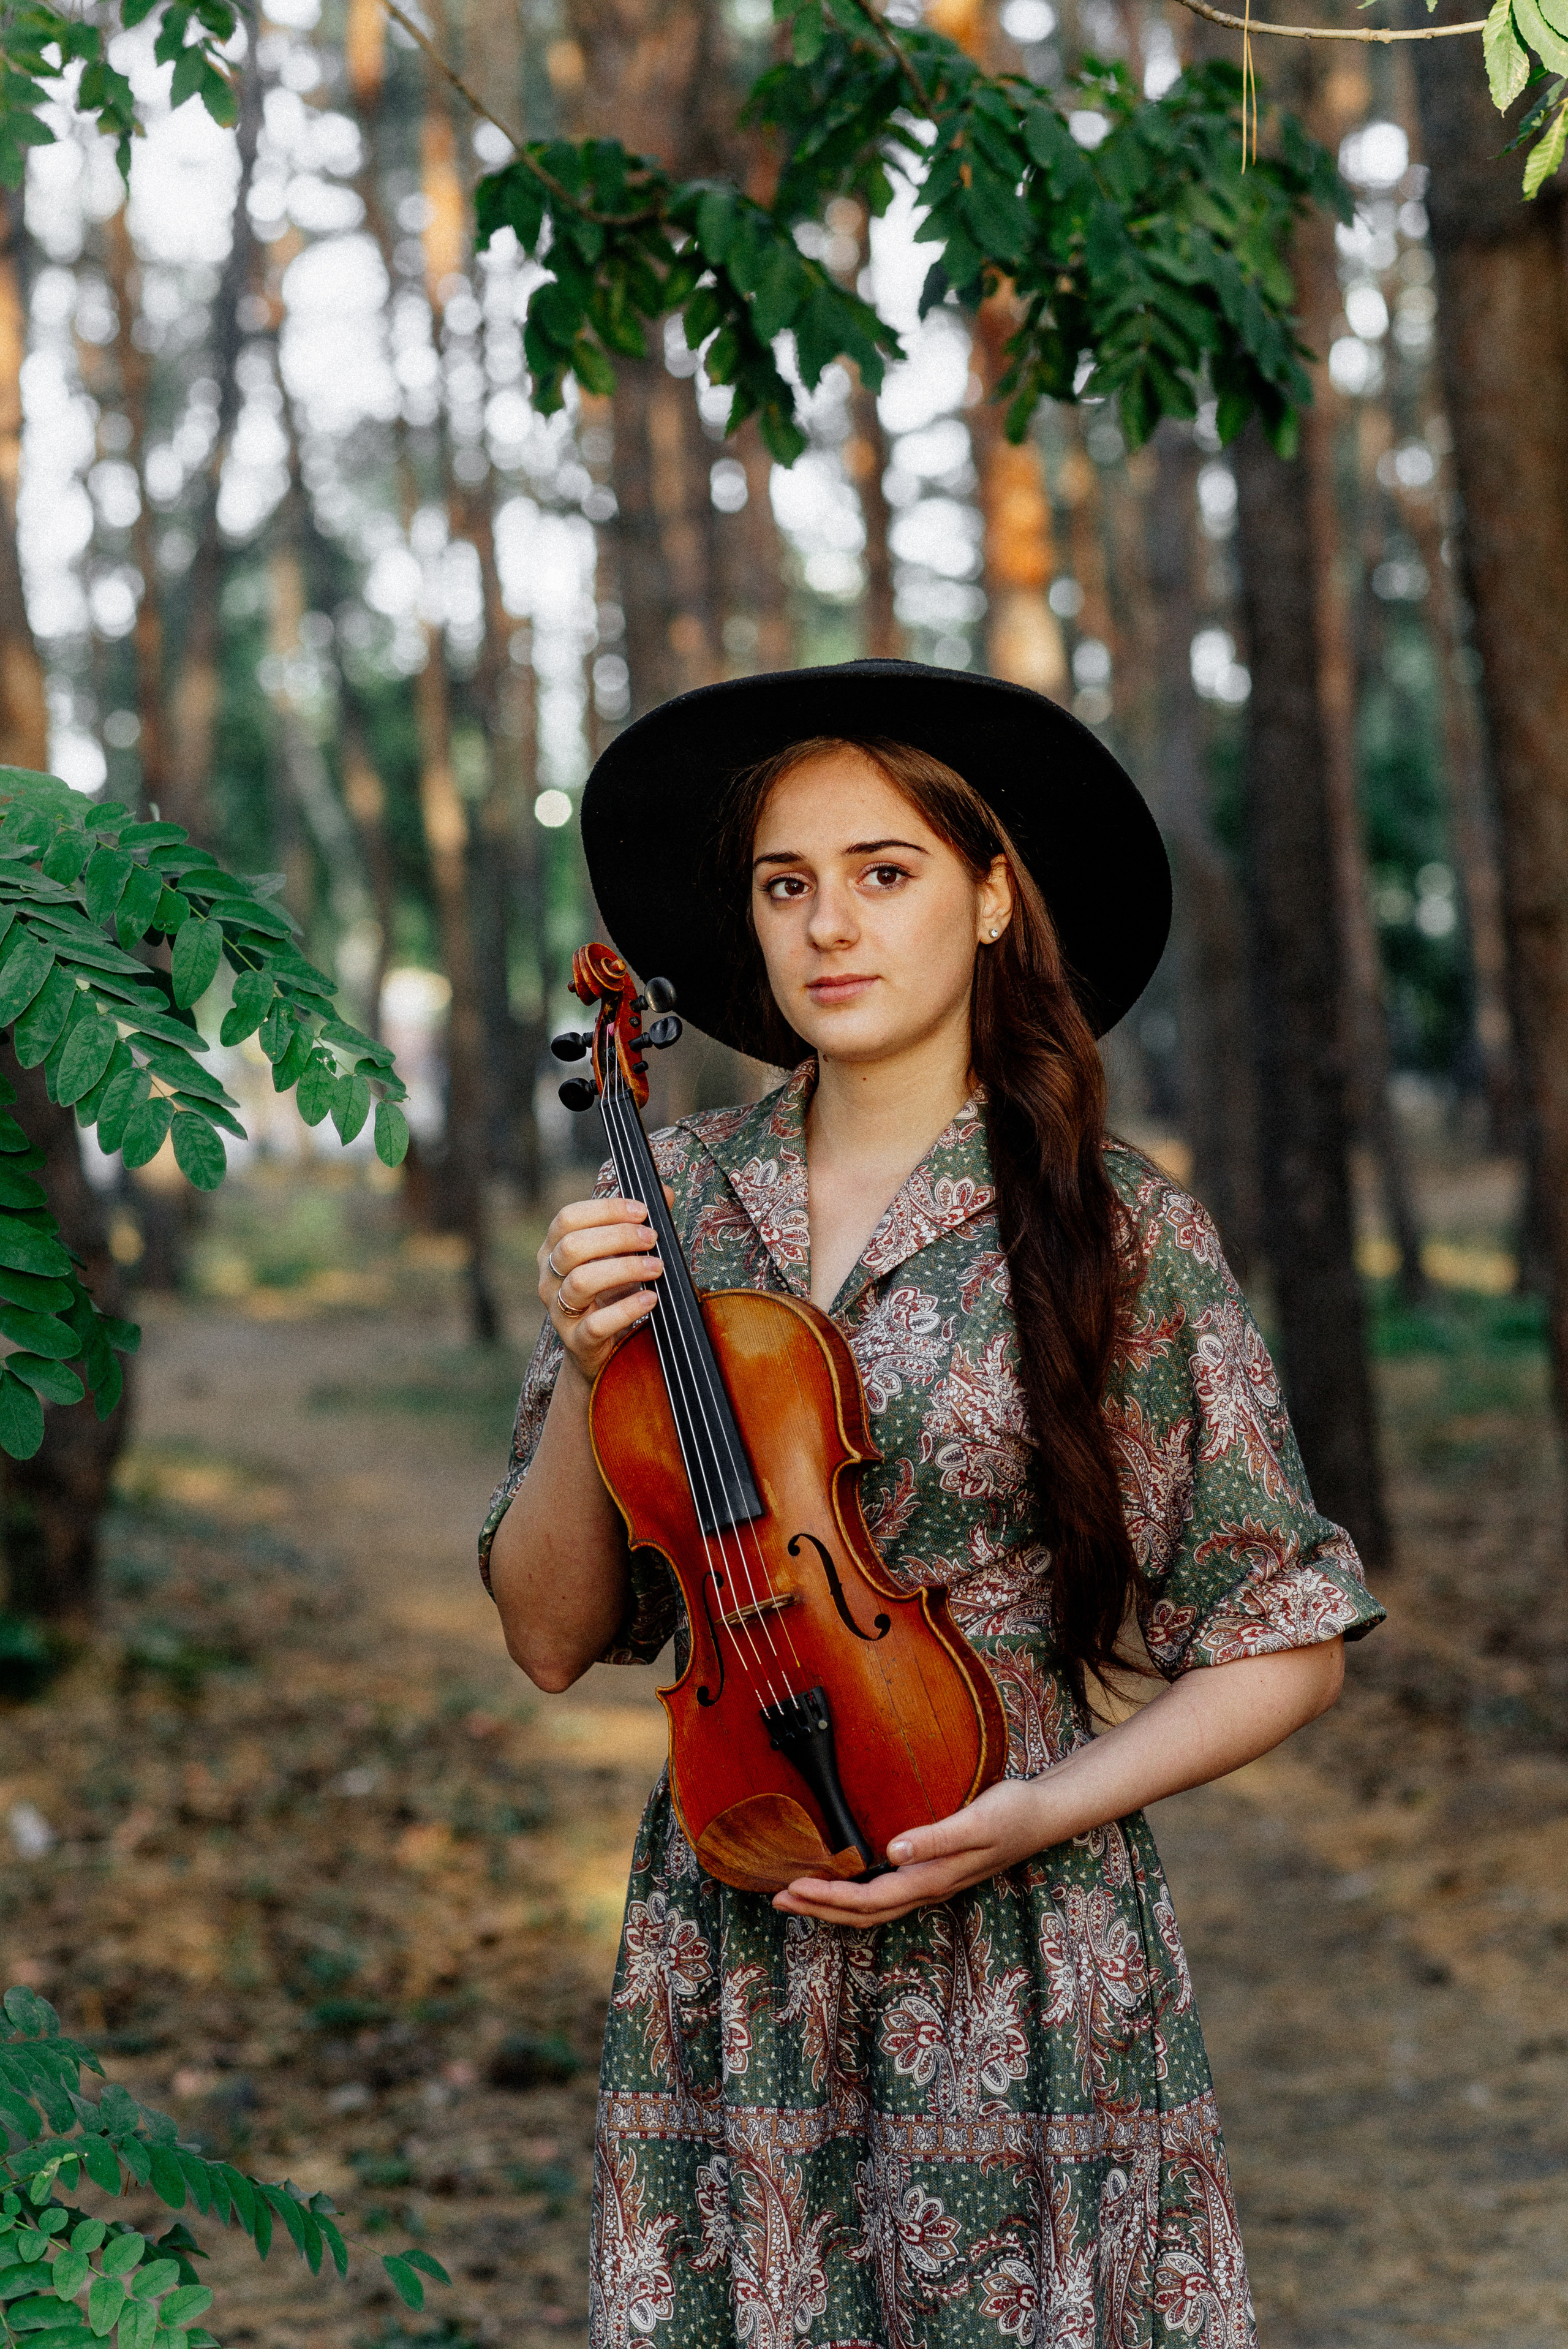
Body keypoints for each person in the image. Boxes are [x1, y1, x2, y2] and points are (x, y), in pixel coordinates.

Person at [481, 659, 1383, 2348]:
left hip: (1031, 1949)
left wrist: (1046, 1809)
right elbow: (548, 1635)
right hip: (734, 1947)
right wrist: (579, 1360)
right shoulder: (670, 1206)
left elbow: (1288, 1632)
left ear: (985, 896)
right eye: (785, 882)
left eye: (883, 871)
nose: (830, 923)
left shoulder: (1118, 1231)